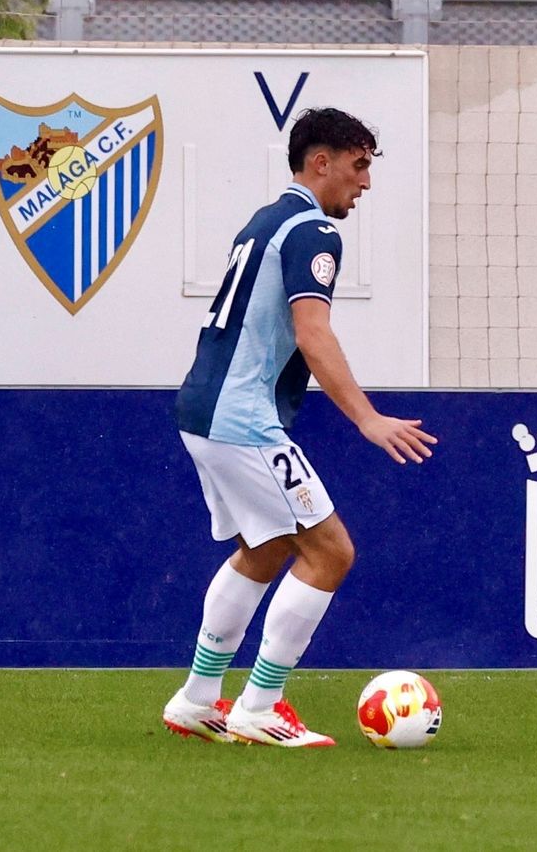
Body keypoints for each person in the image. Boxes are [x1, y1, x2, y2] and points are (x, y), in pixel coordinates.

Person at [161, 107, 435, 747]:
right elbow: (313, 332)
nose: (364, 183)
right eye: (358, 165)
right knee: (331, 551)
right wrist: (367, 419)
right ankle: (261, 705)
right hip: (241, 416)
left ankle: (199, 698)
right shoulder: (313, 230)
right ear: (322, 162)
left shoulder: (264, 220)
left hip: (204, 409)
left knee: (267, 546)